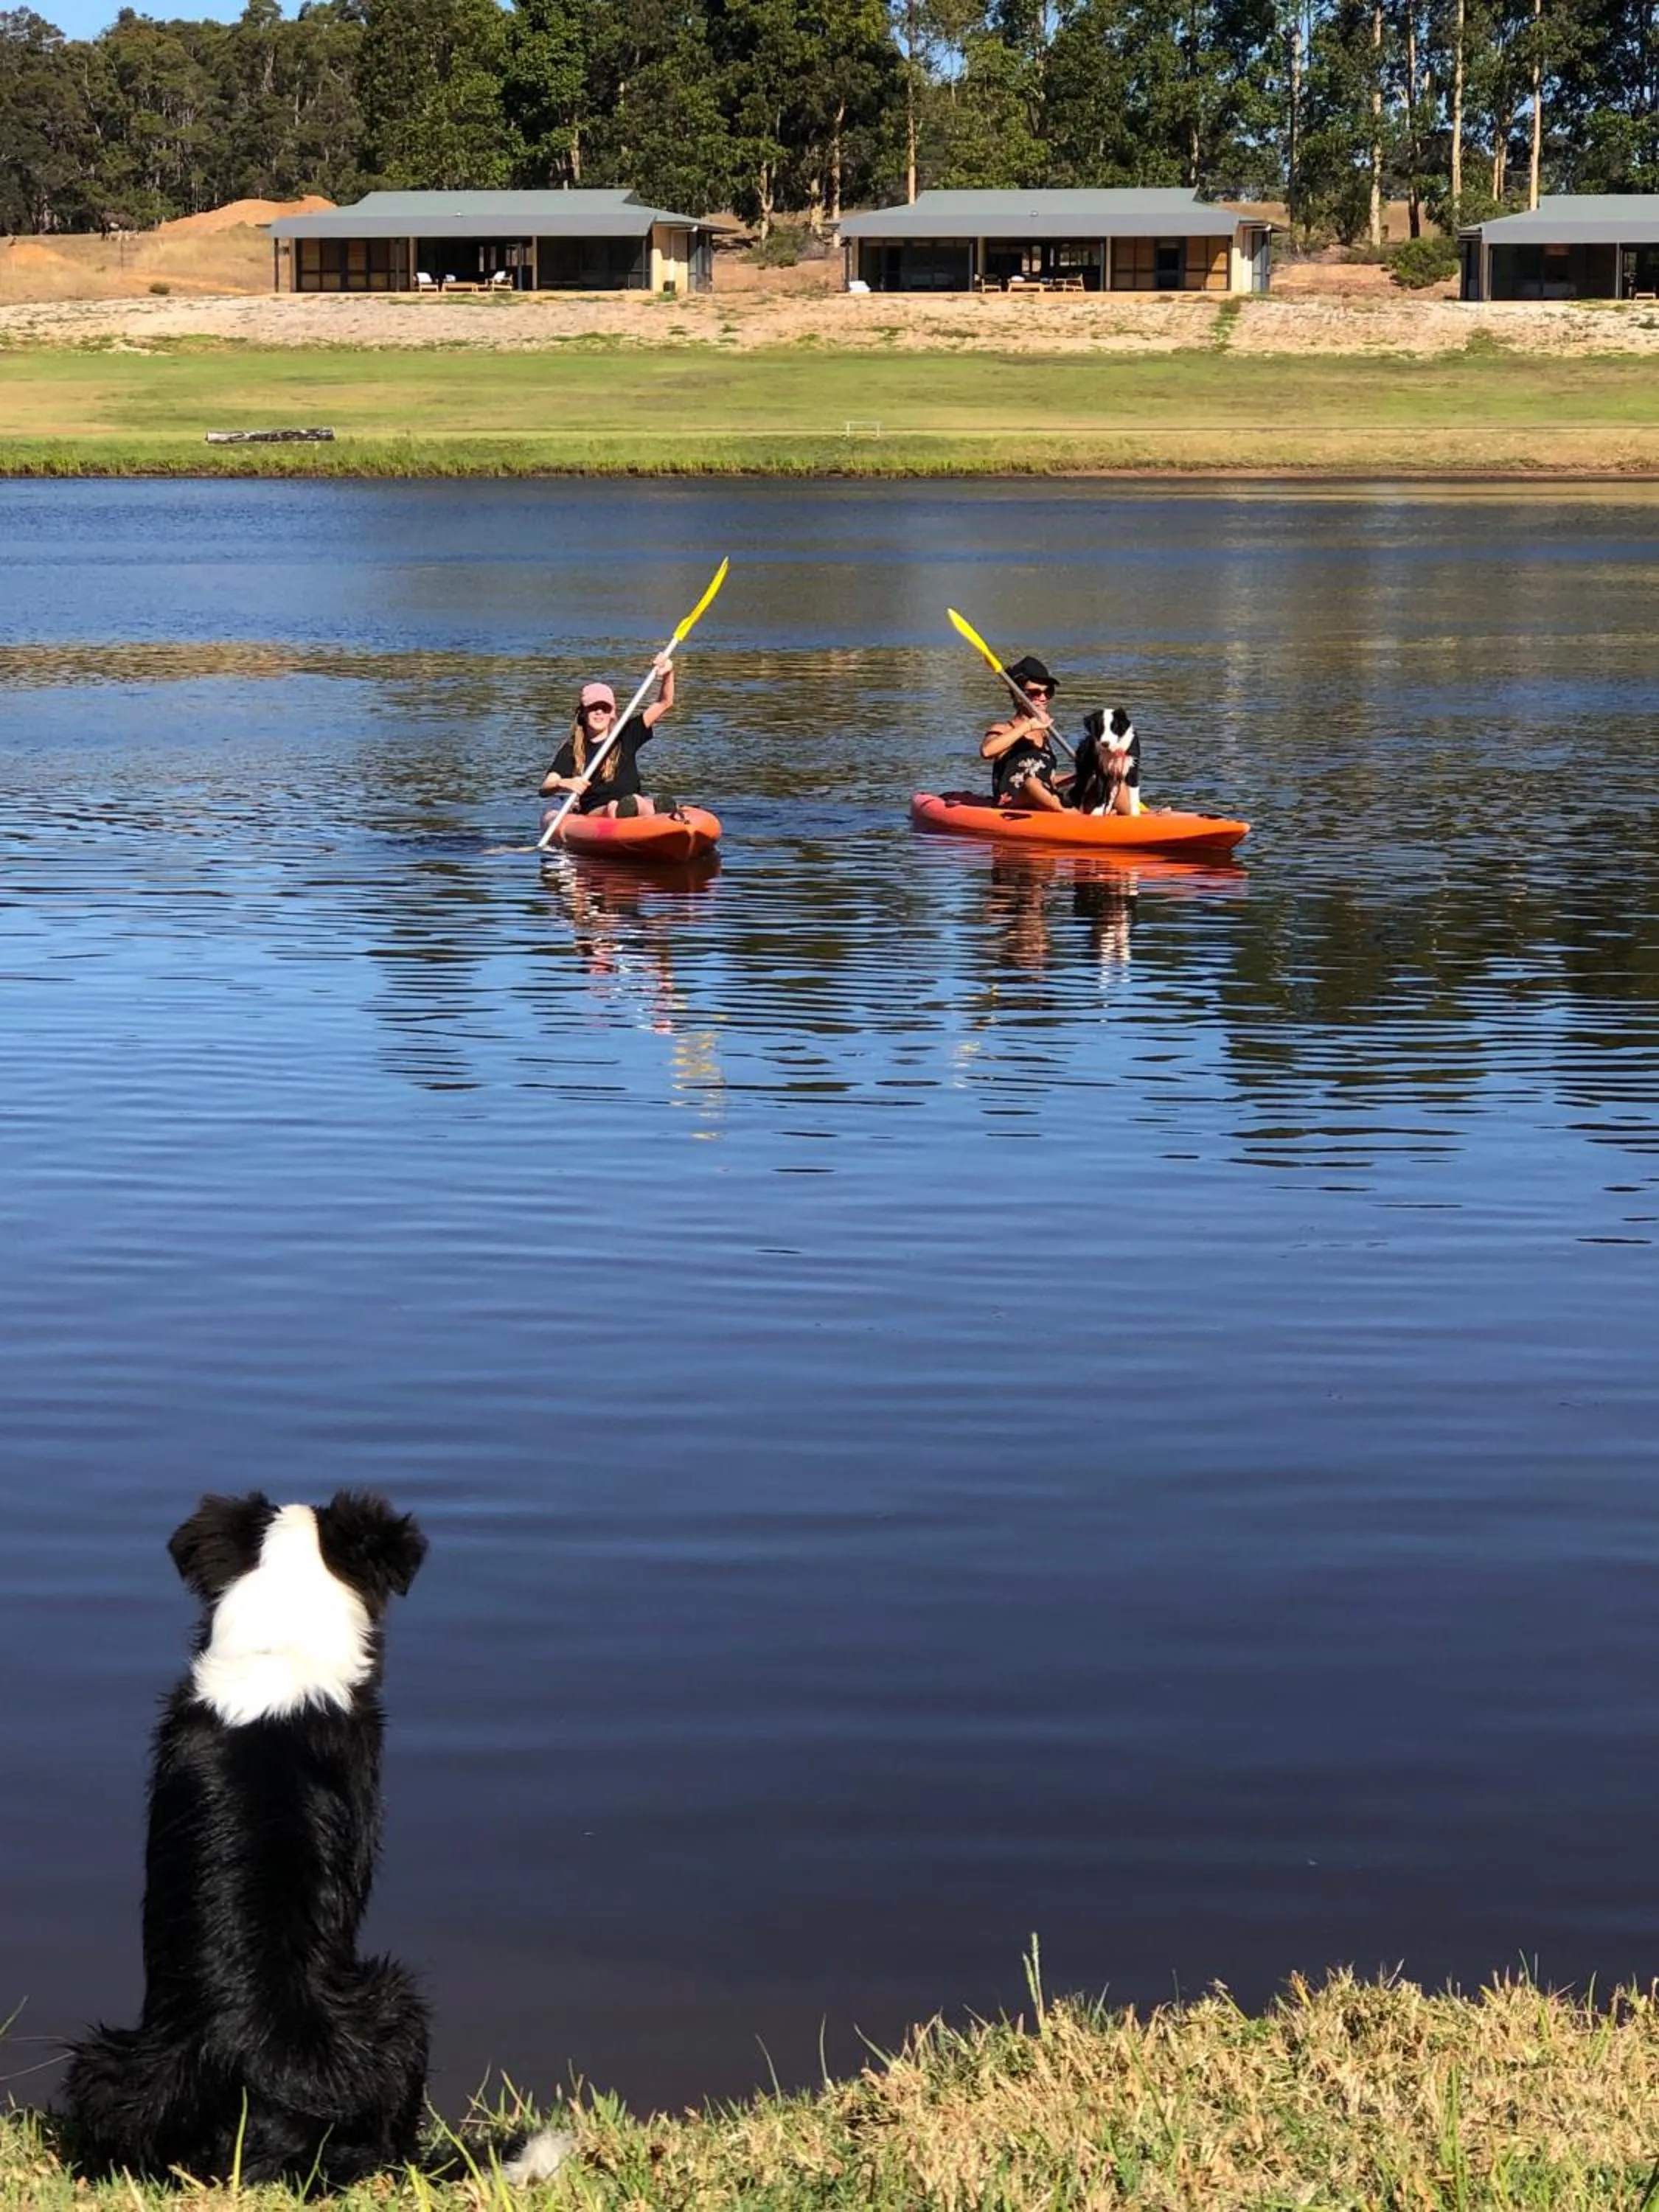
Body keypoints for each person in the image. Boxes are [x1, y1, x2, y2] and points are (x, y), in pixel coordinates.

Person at [540, 654, 676, 822]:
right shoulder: (573, 748)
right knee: (613, 807)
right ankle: (637, 812)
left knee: (640, 802)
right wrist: (564, 783)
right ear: (582, 713)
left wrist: (668, 674)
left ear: (612, 713)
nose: (599, 712)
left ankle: (657, 814)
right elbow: (546, 786)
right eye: (593, 708)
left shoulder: (626, 734)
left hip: (635, 802)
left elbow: (664, 703)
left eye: (605, 708)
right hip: (597, 812)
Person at [979, 653, 1066, 813]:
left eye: (1049, 692)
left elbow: (1047, 780)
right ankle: (1071, 815)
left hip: (1042, 800)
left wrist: (1082, 775)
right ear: (1018, 696)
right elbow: (987, 751)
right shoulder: (1004, 729)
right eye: (1035, 693)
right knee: (1031, 783)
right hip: (1014, 802)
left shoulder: (1045, 734)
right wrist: (1028, 726)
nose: (1043, 698)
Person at [1071, 706, 1142, 816]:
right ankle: (1090, 805)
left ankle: (1132, 808)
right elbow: (1101, 776)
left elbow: (1133, 778)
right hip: (1090, 758)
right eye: (1101, 730)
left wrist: (1134, 809)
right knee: (1089, 778)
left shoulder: (1130, 740)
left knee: (1130, 778)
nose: (1105, 738)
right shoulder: (1097, 743)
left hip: (1121, 781)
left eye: (1112, 729)